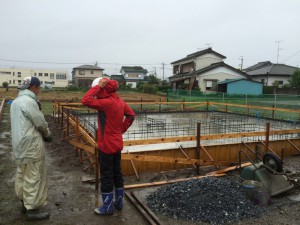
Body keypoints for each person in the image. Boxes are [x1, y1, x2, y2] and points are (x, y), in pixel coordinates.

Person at [81, 78, 135, 215]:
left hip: (106, 145)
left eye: (99, 89)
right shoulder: (119, 101)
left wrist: (97, 87)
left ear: (103, 88)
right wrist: (120, 130)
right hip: (117, 143)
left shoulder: (105, 103)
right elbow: (131, 115)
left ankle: (108, 207)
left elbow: (85, 100)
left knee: (106, 175)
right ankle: (119, 202)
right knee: (117, 172)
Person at [10, 76, 52, 220]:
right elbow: (40, 122)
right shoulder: (29, 102)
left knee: (22, 173)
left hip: (19, 145)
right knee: (33, 176)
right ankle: (33, 210)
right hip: (31, 146)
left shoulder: (16, 101)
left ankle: (25, 203)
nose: (39, 90)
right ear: (34, 87)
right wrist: (47, 134)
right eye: (38, 87)